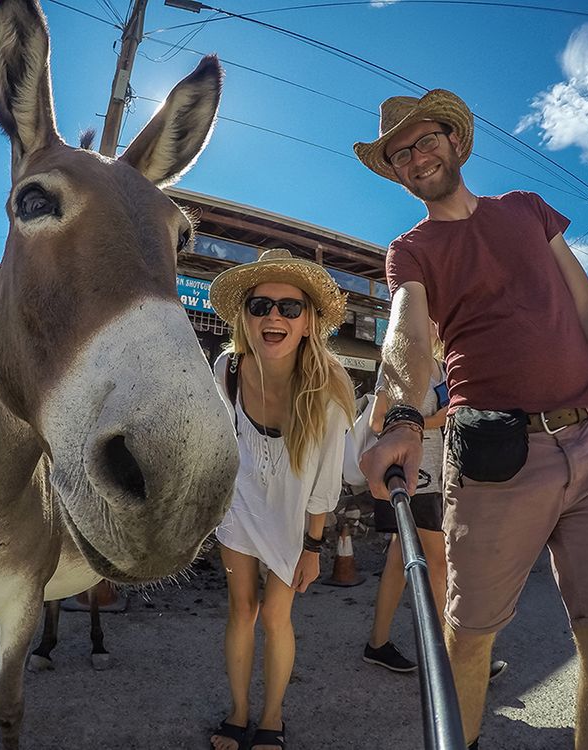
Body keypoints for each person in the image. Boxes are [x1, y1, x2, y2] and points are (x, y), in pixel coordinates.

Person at [353, 89, 588, 750]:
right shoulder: (410, 250)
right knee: (467, 640)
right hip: (495, 457)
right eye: (399, 153)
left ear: (455, 142)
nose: (415, 157)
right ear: (397, 173)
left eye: (424, 140)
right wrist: (404, 418)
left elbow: (586, 306)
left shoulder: (525, 210)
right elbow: (407, 332)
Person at [207, 248, 355, 750]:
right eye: (261, 305)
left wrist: (315, 547)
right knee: (241, 610)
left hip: (294, 520)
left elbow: (325, 482)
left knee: (276, 617)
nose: (274, 315)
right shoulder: (226, 367)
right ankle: (238, 711)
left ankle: (272, 718)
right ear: (244, 318)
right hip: (239, 509)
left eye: (290, 308)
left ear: (310, 321)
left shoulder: (329, 384)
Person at [363, 323, 507, 681]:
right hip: (412, 477)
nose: (430, 322)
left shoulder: (443, 366)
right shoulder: (395, 363)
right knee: (439, 563)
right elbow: (376, 421)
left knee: (399, 560)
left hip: (437, 478)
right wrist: (430, 421)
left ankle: (377, 645)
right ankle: (452, 656)